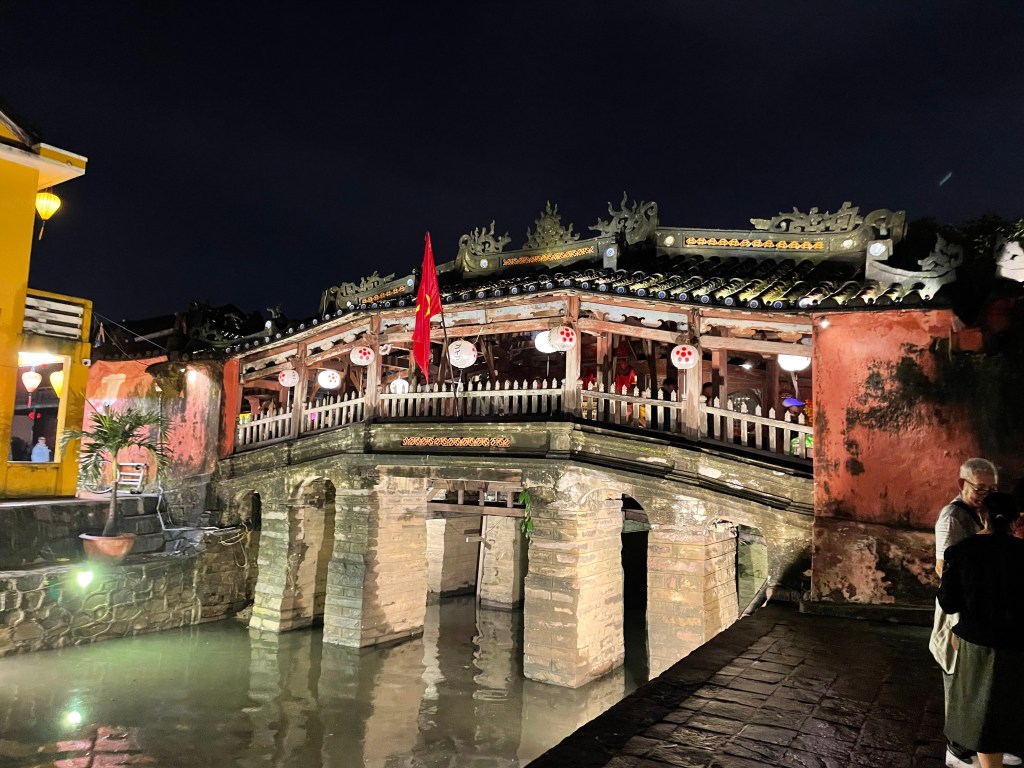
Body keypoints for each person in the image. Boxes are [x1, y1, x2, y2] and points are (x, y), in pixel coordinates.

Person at [932, 458, 1021, 768]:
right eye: (980, 488)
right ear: (1015, 521)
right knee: (1004, 701)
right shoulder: (953, 518)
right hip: (1014, 641)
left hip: (975, 638)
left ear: (984, 517)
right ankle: (971, 752)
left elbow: (949, 601)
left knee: (975, 702)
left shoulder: (963, 551)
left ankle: (973, 752)